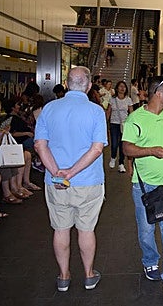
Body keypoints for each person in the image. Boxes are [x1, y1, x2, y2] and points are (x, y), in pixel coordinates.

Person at [34, 66, 108, 292]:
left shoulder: (49, 109)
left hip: (56, 183)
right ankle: (88, 275)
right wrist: (73, 172)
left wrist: (58, 172)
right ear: (88, 86)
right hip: (88, 182)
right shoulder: (96, 111)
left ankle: (64, 277)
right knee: (86, 230)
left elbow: (39, 145)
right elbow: (97, 149)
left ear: (67, 84)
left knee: (61, 229)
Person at [122, 76, 163, 296]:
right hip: (144, 185)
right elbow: (127, 149)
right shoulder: (135, 118)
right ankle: (150, 260)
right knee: (147, 228)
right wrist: (151, 150)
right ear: (158, 93)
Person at [107, 81, 133, 173]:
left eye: (124, 87)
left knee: (122, 145)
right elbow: (109, 111)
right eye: (120, 86)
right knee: (114, 143)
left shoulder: (128, 99)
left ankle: (121, 163)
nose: (122, 88)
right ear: (117, 88)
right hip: (114, 123)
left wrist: (132, 124)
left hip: (125, 124)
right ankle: (113, 157)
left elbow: (131, 112)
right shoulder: (112, 99)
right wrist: (106, 122)